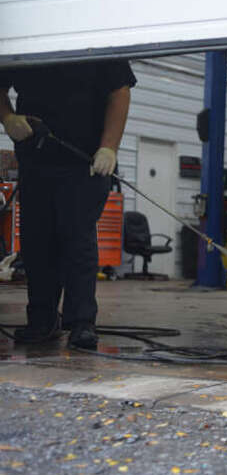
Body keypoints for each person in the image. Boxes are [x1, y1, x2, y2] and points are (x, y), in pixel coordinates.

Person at [0, 60, 137, 349]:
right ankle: (42, 320)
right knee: (37, 241)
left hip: (85, 161)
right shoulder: (30, 45)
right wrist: (7, 117)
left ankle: (81, 323)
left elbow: (120, 92)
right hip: (36, 157)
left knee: (77, 239)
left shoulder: (92, 40)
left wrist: (109, 147)